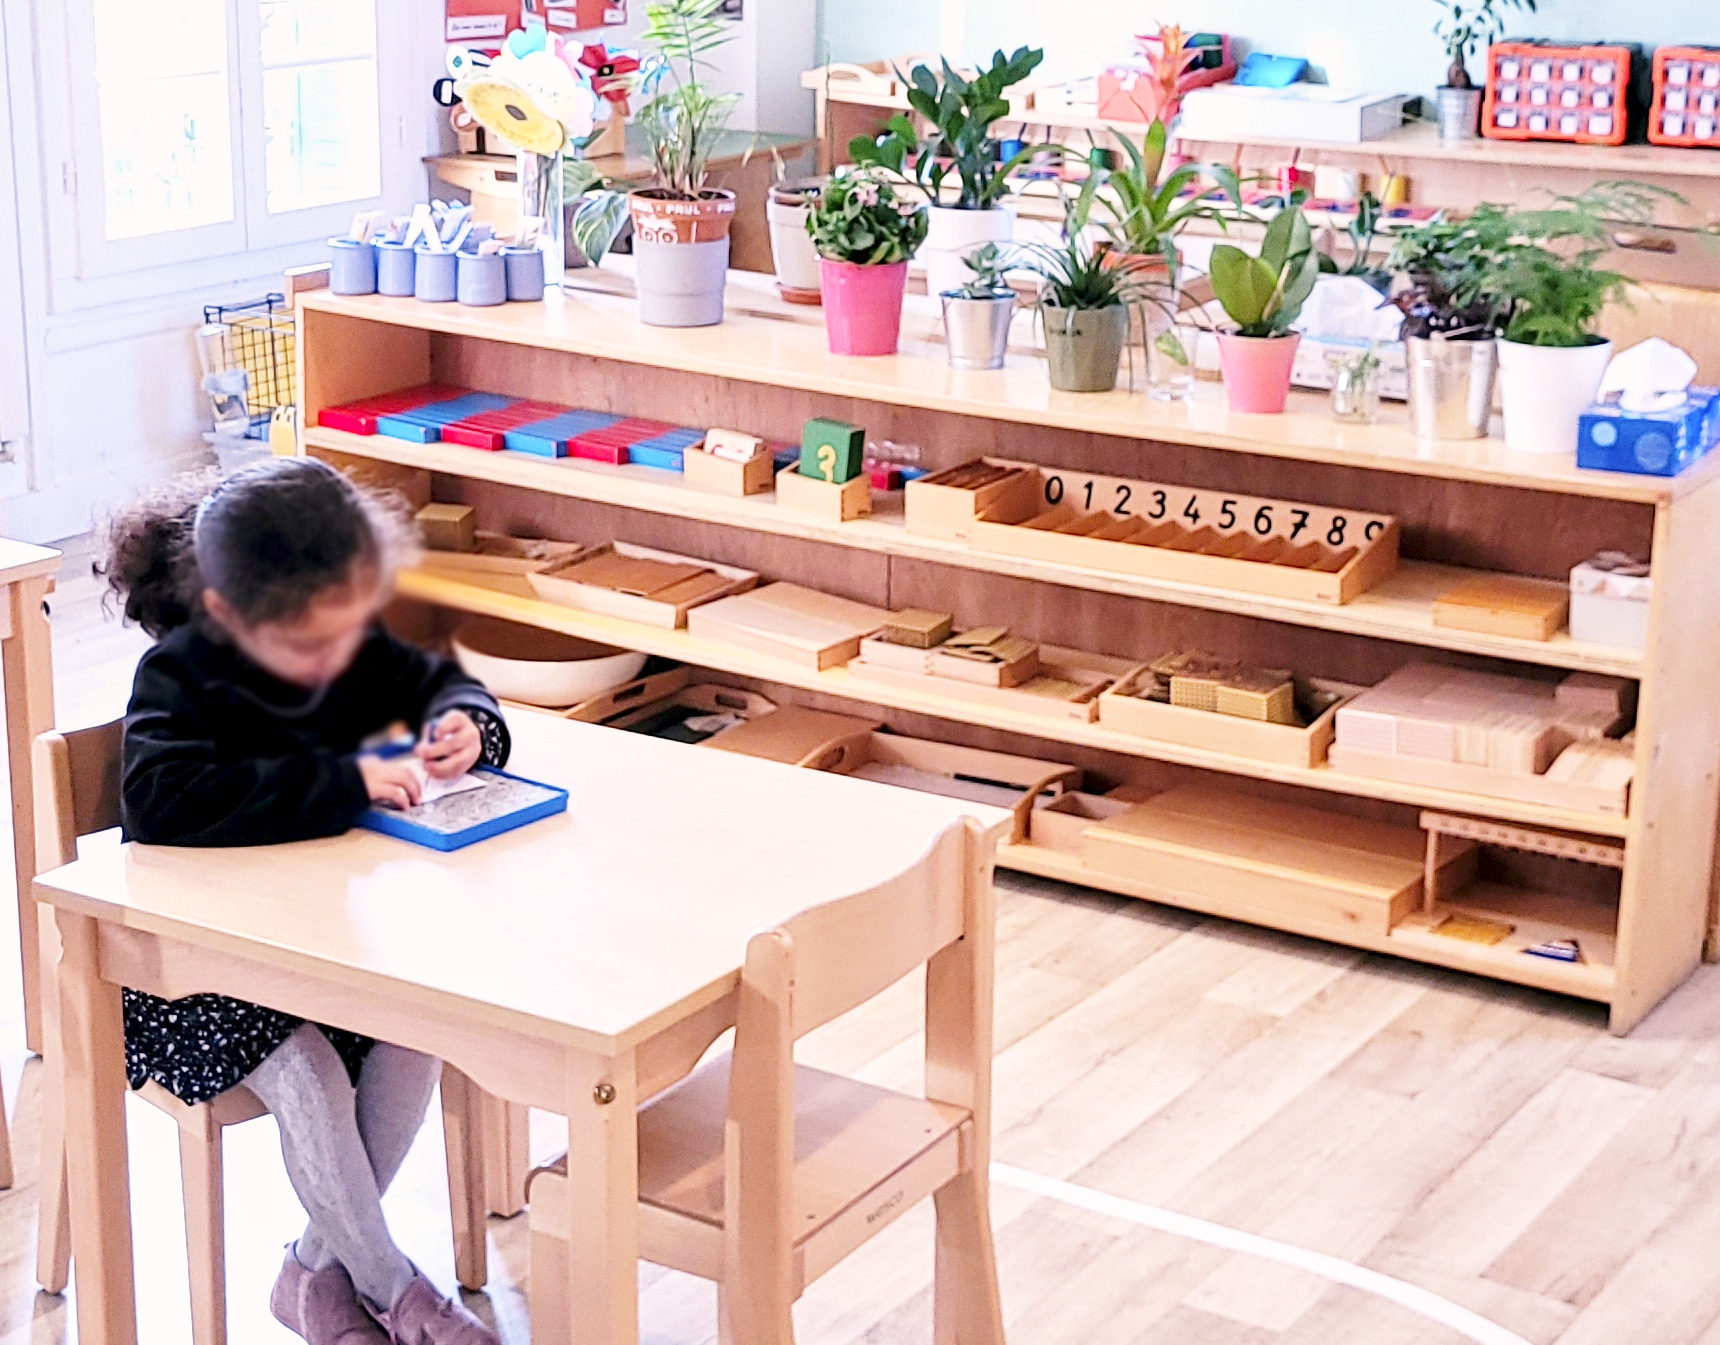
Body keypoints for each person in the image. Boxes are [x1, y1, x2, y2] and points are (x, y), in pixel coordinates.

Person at [104, 457, 507, 1345]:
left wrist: (467, 724)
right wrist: (347, 781)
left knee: (415, 1027)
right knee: (308, 1067)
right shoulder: (179, 676)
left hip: (318, 947)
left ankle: (312, 1278)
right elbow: (166, 802)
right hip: (192, 975)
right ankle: (401, 1295)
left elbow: (439, 679)